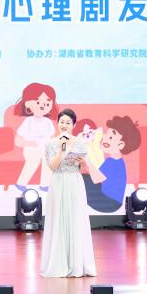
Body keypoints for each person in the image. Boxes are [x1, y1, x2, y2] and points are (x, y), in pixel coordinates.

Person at [40, 108, 97, 278]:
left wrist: (82, 162)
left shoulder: (80, 143)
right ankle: (58, 263)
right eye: (62, 122)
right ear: (57, 123)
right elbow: (52, 166)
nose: (64, 125)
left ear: (73, 125)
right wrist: (61, 149)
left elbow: (85, 168)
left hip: (74, 182)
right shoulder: (51, 144)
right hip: (58, 182)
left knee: (75, 219)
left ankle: (76, 264)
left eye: (68, 123)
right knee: (58, 219)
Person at [83, 116, 141, 213]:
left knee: (81, 179)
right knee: (83, 177)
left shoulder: (113, 162)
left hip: (108, 201)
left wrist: (87, 159)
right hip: (111, 201)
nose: (105, 138)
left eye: (111, 137)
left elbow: (97, 179)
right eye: (107, 134)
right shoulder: (115, 160)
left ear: (121, 145)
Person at [13, 83, 58, 192]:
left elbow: (52, 136)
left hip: (46, 149)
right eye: (38, 102)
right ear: (28, 104)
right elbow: (18, 140)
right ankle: (21, 183)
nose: (43, 106)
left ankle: (44, 185)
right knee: (32, 163)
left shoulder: (48, 122)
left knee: (48, 162)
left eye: (47, 103)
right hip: (31, 149)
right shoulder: (28, 121)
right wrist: (30, 144)